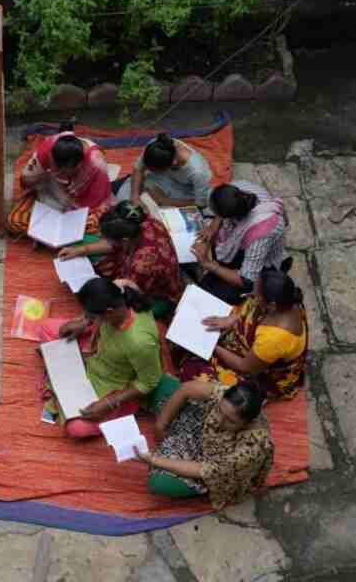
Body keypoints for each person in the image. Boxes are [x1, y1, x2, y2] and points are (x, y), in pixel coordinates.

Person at [43, 278, 180, 439]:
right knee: (45, 327)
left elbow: (149, 382)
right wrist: (83, 322)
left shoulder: (139, 342)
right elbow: (123, 284)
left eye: (93, 316)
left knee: (76, 429)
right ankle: (70, 373)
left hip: (112, 383)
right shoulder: (119, 292)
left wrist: (109, 403)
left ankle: (118, 411)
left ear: (108, 313)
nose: (91, 318)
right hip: (97, 351)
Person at [138, 380, 274, 510]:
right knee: (163, 384)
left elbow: (204, 470)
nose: (219, 420)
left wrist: (155, 460)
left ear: (248, 423)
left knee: (159, 483)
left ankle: (194, 485)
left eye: (230, 421)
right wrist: (161, 425)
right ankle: (176, 439)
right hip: (201, 433)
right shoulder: (230, 397)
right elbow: (187, 389)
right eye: (219, 410)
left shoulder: (252, 448)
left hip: (216, 468)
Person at [180, 266, 308, 401]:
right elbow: (250, 306)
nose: (252, 294)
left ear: (272, 305)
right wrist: (232, 318)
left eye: (256, 294)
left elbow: (246, 368)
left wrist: (211, 346)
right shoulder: (284, 301)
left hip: (258, 373)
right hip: (249, 350)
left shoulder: (275, 339)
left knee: (193, 372)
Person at [57, 201, 186, 319]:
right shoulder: (143, 222)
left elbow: (127, 297)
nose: (103, 240)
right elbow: (115, 244)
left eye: (107, 238)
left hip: (155, 296)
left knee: (106, 308)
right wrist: (81, 250)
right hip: (137, 264)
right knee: (83, 245)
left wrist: (88, 319)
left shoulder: (142, 265)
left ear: (124, 241)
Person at [192, 182, 288, 305]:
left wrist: (208, 264)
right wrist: (212, 228)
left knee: (209, 291)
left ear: (233, 217)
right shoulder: (238, 191)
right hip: (248, 241)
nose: (218, 217)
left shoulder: (260, 232)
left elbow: (247, 280)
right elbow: (219, 215)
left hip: (263, 262)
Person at [7, 128, 113, 238]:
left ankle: (47, 233)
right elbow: (26, 180)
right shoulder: (46, 150)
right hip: (50, 197)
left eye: (66, 172)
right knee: (15, 221)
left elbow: (98, 205)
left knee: (94, 226)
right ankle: (57, 233)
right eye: (58, 169)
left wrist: (73, 217)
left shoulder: (96, 164)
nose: (60, 174)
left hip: (81, 207)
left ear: (79, 165)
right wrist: (42, 176)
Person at [117, 133, 214, 209]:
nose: (150, 170)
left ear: (173, 164)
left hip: (187, 190)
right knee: (130, 192)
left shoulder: (198, 172)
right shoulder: (157, 146)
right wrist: (134, 197)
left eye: (155, 170)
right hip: (168, 180)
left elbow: (201, 203)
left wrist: (165, 201)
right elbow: (139, 169)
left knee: (164, 210)